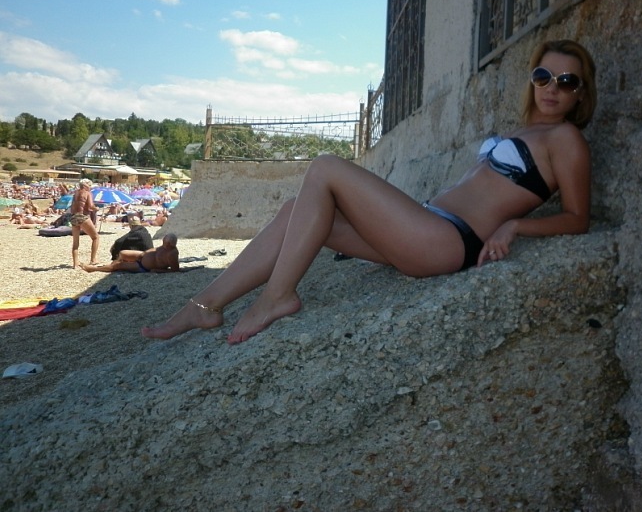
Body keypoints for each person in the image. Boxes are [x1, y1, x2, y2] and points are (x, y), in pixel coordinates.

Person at [142, 39, 598, 345]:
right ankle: (204, 305)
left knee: (326, 167)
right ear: (532, 79)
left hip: (447, 241)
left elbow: (578, 218)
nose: (552, 88)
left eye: (567, 82)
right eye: (544, 76)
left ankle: (278, 295)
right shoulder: (522, 130)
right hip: (426, 228)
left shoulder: (566, 139)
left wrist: (515, 225)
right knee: (295, 209)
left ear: (580, 93)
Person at [82, 233, 181, 273]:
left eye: (166, 243)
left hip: (144, 266)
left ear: (170, 244)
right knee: (122, 253)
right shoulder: (165, 246)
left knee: (117, 265)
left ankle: (93, 269)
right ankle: (112, 265)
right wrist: (145, 253)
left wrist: (157, 270)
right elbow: (156, 250)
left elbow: (175, 270)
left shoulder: (172, 253)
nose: (164, 244)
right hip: (141, 255)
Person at [69, 178, 100, 269]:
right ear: (86, 185)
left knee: (75, 243)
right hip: (83, 217)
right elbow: (90, 206)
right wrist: (96, 208)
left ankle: (75, 264)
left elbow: (73, 207)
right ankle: (93, 260)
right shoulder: (87, 193)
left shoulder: (75, 193)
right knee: (95, 237)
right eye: (89, 185)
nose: (90, 187)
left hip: (74, 217)